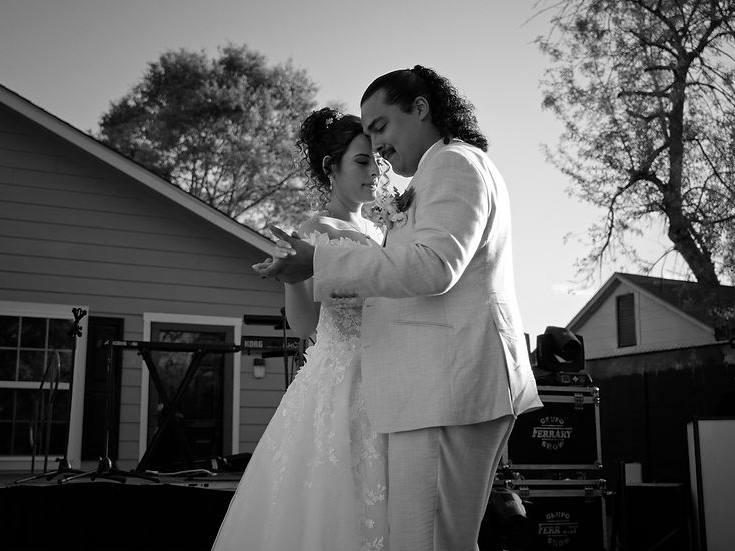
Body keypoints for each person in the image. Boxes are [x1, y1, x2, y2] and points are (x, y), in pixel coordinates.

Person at [255, 66, 542, 551]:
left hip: (444, 388)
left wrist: (320, 261)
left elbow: (433, 266)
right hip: (426, 390)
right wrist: (303, 273)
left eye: (381, 127)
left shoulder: (452, 165)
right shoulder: (439, 170)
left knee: (425, 543)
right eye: (365, 142)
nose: (378, 151)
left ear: (421, 108)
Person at [212, 107, 389, 550]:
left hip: (390, 377)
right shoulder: (314, 231)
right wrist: (292, 279)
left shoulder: (385, 228)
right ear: (332, 168)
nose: (376, 171)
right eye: (362, 161)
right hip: (339, 383)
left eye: (377, 162)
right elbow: (304, 322)